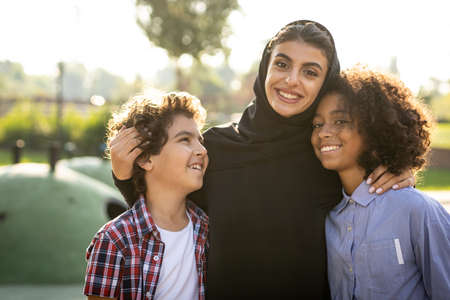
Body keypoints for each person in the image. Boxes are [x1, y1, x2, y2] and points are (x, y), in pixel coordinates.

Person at [110, 21, 414, 299]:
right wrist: (124, 176)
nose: (292, 80)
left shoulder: (329, 154)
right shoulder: (216, 148)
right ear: (265, 67)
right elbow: (162, 216)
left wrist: (402, 174)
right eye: (282, 64)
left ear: (325, 83)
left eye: (310, 72)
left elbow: (375, 196)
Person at [311, 67, 450, 299]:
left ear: (374, 128)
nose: (324, 132)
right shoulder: (328, 217)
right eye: (317, 124)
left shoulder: (416, 210)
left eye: (340, 121)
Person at [83, 92, 209, 300]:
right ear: (145, 159)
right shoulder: (115, 240)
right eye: (185, 139)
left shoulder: (206, 230)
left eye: (200, 139)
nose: (202, 149)